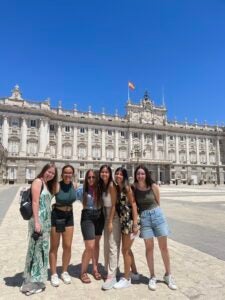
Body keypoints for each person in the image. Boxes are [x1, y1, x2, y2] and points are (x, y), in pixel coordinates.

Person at [132, 165, 177, 291]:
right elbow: (133, 203)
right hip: (145, 218)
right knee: (149, 248)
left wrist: (156, 214)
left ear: (146, 174)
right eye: (138, 174)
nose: (140, 176)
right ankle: (152, 276)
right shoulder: (134, 188)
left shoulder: (154, 186)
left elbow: (158, 202)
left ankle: (168, 275)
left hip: (157, 216)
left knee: (164, 248)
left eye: (142, 173)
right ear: (136, 175)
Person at [20, 163, 58, 296]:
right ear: (44, 170)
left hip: (46, 223)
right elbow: (35, 202)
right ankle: (32, 282)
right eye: (49, 171)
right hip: (39, 222)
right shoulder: (38, 181)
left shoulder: (47, 184)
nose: (50, 174)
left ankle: (36, 279)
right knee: (36, 250)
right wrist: (36, 222)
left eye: (53, 173)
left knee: (40, 249)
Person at [49, 165, 77, 287]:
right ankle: (54, 273)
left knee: (68, 246)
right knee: (54, 246)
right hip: (57, 215)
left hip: (69, 215)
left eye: (70, 173)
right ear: (62, 174)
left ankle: (64, 271)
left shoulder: (74, 186)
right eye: (65, 173)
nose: (68, 175)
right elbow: (45, 199)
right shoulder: (57, 185)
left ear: (73, 174)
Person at [113, 167, 139, 289]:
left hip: (129, 222)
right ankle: (134, 272)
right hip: (123, 221)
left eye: (120, 174)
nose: (118, 176)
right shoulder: (117, 188)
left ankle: (126, 278)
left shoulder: (127, 188)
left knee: (125, 250)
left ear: (124, 176)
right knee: (127, 249)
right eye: (116, 174)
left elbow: (133, 204)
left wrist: (135, 224)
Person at [77, 169, 105, 283]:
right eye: (89, 177)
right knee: (90, 246)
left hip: (99, 216)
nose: (91, 179)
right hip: (87, 216)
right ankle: (83, 272)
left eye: (93, 177)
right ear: (86, 178)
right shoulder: (81, 190)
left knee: (96, 244)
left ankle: (95, 269)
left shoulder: (101, 189)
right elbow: (68, 197)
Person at [99, 165, 121, 290]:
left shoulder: (112, 185)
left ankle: (112, 277)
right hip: (106, 217)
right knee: (106, 245)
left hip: (114, 218)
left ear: (110, 173)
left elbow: (113, 205)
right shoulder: (103, 185)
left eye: (106, 172)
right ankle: (109, 270)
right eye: (102, 172)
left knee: (113, 245)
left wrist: (111, 221)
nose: (104, 174)